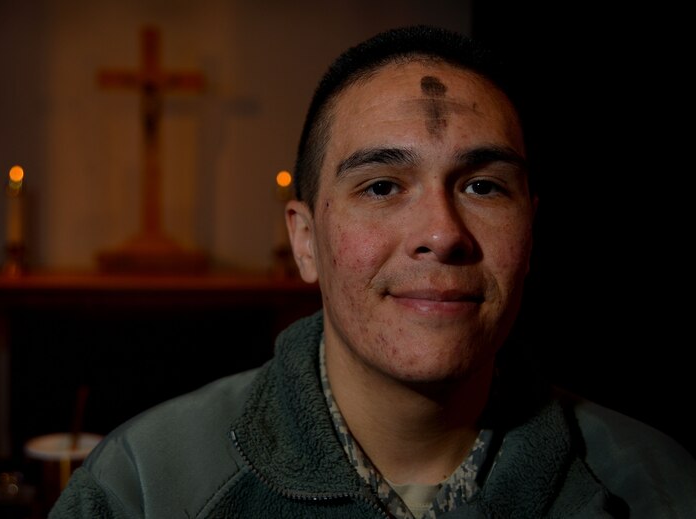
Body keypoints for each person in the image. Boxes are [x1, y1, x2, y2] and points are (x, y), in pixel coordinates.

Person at [48, 25, 696, 518]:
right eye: (383, 186)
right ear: (305, 240)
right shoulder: (144, 489)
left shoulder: (660, 488)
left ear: (532, 228)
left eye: (483, 186)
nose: (441, 233)